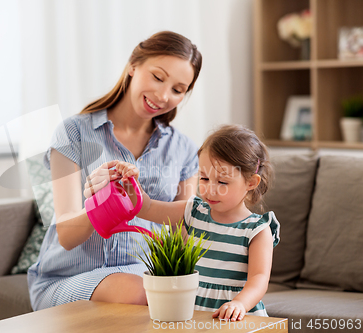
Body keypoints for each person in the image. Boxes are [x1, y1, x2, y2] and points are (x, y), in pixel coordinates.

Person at [27, 31, 203, 311]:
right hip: (68, 277)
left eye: (178, 90)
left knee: (178, 294)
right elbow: (67, 236)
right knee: (143, 294)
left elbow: (185, 231)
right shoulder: (73, 132)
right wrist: (104, 202)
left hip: (143, 274)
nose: (163, 95)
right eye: (158, 77)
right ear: (134, 65)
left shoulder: (183, 149)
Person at [85, 124, 280, 321]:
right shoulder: (192, 211)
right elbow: (148, 207)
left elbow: (259, 279)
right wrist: (131, 183)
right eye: (204, 178)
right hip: (194, 311)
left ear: (251, 183)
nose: (210, 189)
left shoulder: (257, 230)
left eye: (222, 182)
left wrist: (240, 303)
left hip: (236, 316)